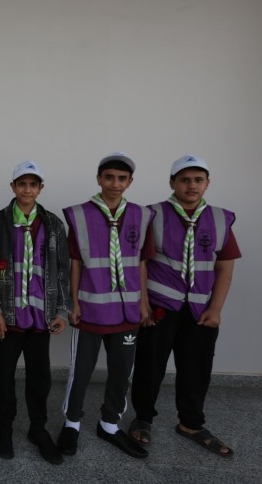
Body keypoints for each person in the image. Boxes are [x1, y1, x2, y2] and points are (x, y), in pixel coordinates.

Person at [130, 155, 239, 457]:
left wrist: (216, 309)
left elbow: (225, 267)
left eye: (198, 180)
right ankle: (142, 418)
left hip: (200, 310)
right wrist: (142, 306)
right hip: (159, 307)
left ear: (207, 183)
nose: (192, 185)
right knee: (150, 366)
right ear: (172, 182)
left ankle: (191, 423)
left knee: (196, 368)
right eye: (185, 180)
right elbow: (138, 262)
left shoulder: (220, 218)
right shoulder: (151, 215)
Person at [58, 152, 155, 459]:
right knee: (80, 371)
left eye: (122, 178)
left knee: (121, 372)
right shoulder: (80, 215)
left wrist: (144, 304)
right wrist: (73, 303)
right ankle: (71, 423)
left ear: (130, 182)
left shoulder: (142, 216)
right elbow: (75, 263)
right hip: (90, 308)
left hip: (127, 312)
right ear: (99, 179)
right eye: (109, 177)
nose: (115, 183)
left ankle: (110, 424)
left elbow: (141, 263)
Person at [0, 160, 70, 465]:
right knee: (5, 376)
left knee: (40, 378)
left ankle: (37, 428)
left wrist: (61, 311)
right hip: (8, 318)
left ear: (40, 188)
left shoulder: (54, 225)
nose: (27, 190)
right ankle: (4, 425)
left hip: (40, 319)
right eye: (22, 184)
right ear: (13, 186)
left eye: (33, 184)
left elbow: (62, 272)